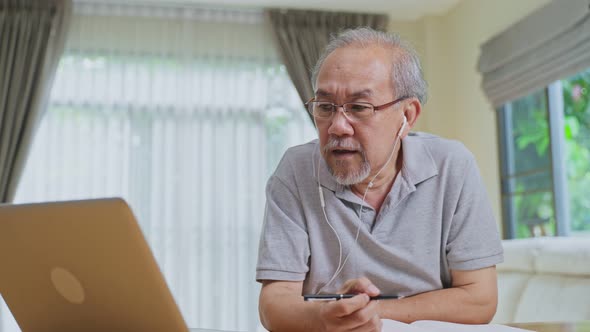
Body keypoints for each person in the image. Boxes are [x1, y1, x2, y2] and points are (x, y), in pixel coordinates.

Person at [256, 27, 503, 332]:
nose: (337, 127)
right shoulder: (295, 170)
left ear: (407, 116)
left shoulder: (452, 165)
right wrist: (323, 318)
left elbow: (479, 299)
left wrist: (367, 314)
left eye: (359, 107)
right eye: (325, 107)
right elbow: (274, 302)